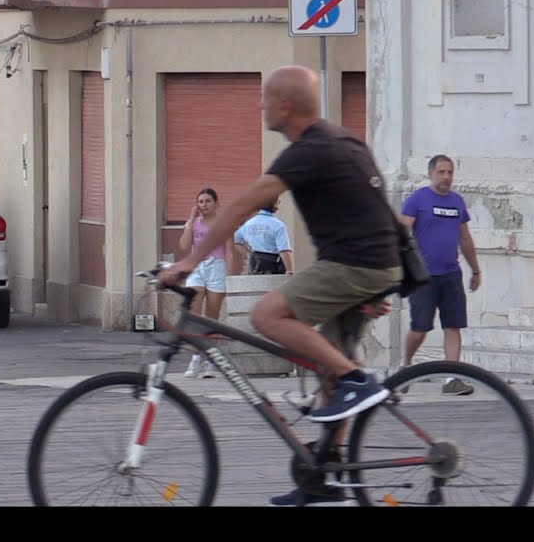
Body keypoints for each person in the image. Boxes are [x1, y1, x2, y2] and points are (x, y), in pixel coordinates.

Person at [158, 65, 400, 507]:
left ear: (285, 106)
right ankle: (323, 474)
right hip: (372, 264)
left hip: (355, 264)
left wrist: (189, 261)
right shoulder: (340, 140)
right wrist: (379, 282)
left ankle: (356, 381)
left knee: (266, 314)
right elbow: (378, 206)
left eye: (265, 98)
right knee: (327, 362)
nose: (259, 106)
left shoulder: (308, 150)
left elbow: (240, 208)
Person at [399, 154, 480, 396]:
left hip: (451, 274)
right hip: (424, 277)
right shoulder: (417, 199)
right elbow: (401, 232)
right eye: (441, 172)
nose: (446, 177)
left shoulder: (457, 201)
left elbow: (464, 237)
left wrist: (475, 270)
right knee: (420, 328)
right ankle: (406, 367)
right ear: (430, 174)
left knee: (453, 326)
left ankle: (452, 378)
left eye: (450, 172)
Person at [178, 188, 234, 378]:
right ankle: (195, 359)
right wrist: (190, 221)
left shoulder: (224, 224)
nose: (204, 205)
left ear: (216, 204)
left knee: (211, 318)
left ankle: (211, 361)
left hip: (217, 267)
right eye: (200, 201)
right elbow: (184, 246)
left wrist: (231, 275)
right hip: (197, 268)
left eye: (208, 201)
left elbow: (229, 251)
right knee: (194, 316)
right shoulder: (193, 223)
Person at [232, 198, 294, 275]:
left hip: (254, 262)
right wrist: (290, 270)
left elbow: (235, 241)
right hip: (273, 263)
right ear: (274, 204)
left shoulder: (248, 224)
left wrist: (246, 253)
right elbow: (284, 250)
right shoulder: (278, 225)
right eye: (278, 201)